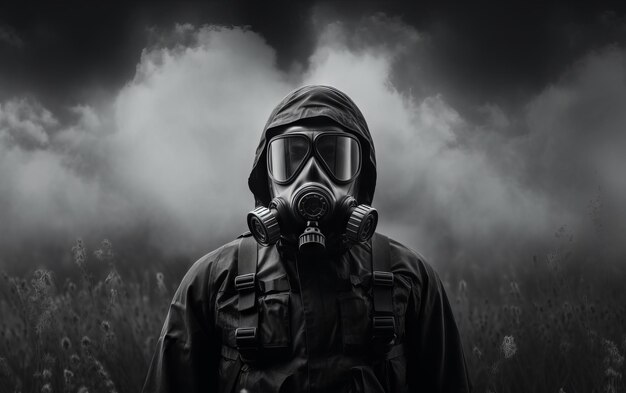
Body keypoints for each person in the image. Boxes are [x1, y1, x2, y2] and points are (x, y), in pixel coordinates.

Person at [142, 85, 471, 393]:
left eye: (334, 156)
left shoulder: (411, 277)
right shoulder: (212, 281)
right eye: (291, 157)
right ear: (267, 179)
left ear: (361, 178)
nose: (311, 174)